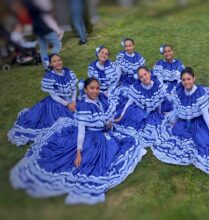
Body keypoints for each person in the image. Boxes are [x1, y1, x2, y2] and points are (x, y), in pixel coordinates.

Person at [10, 77, 147, 204]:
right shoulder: (83, 107)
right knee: (94, 160)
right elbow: (81, 130)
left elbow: (107, 116)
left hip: (104, 132)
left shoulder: (101, 99)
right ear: (86, 89)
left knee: (124, 144)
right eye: (92, 88)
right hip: (91, 137)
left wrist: (109, 123)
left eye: (97, 88)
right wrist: (78, 152)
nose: (95, 91)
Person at [8, 53, 77, 146]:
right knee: (65, 123)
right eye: (54, 61)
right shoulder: (50, 76)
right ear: (51, 64)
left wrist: (73, 101)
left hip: (70, 100)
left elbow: (74, 88)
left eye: (59, 60)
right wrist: (67, 104)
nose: (58, 63)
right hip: (57, 103)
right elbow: (54, 96)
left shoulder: (68, 72)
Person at [113, 66, 166, 145]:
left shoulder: (157, 84)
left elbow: (159, 101)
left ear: (149, 73)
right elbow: (129, 102)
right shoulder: (137, 88)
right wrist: (121, 116)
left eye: (145, 74)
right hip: (140, 109)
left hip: (151, 111)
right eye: (141, 77)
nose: (144, 78)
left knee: (154, 125)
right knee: (135, 121)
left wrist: (160, 113)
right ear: (139, 79)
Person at [21, 0, 63, 69]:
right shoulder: (36, 3)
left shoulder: (26, 3)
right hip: (45, 26)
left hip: (37, 27)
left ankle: (46, 67)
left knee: (43, 48)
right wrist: (57, 30)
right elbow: (46, 14)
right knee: (58, 44)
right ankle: (52, 61)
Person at [152, 44, 185, 112]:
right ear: (163, 53)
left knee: (176, 99)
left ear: (172, 51)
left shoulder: (178, 63)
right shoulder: (160, 64)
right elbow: (158, 79)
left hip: (175, 85)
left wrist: (176, 89)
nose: (167, 53)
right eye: (165, 52)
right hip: (163, 85)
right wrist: (163, 89)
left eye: (169, 51)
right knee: (161, 98)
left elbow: (180, 79)